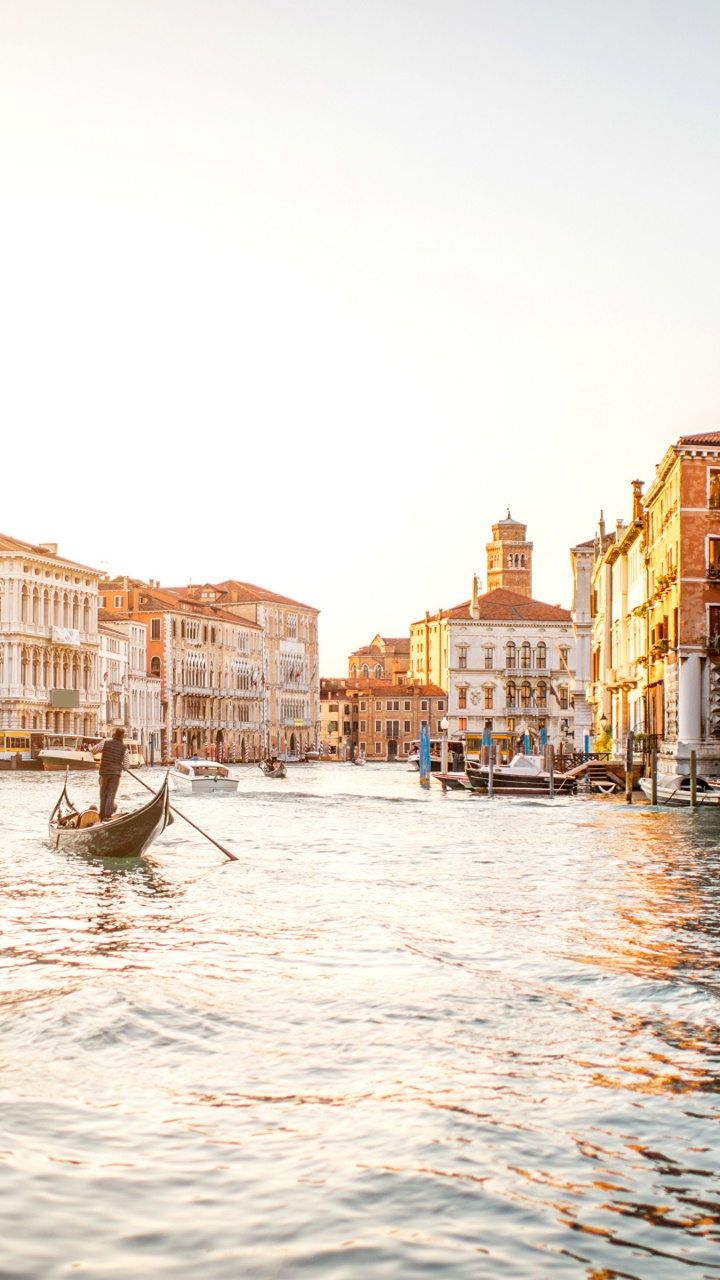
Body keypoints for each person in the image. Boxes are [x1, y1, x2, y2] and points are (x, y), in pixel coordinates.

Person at [97, 727, 130, 822]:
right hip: (115, 774)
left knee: (103, 793)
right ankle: (107, 816)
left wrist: (91, 748)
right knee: (111, 794)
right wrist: (121, 765)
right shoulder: (124, 749)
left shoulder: (105, 743)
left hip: (104, 773)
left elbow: (94, 750)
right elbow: (126, 766)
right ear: (123, 736)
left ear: (114, 734)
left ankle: (102, 815)